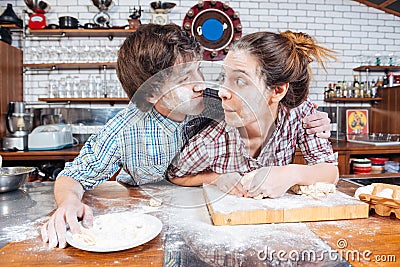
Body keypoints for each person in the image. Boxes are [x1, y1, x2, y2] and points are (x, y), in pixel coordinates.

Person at [41, 25, 332, 249]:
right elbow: (74, 176)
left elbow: (267, 95)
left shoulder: (218, 102)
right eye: (184, 78)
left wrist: (313, 120)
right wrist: (68, 202)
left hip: (229, 221)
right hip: (153, 223)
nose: (200, 84)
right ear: (153, 91)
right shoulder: (126, 129)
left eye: (198, 71)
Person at [167, 30, 339, 198]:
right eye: (223, 78)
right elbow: (176, 175)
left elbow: (331, 172)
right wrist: (217, 178)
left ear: (278, 91)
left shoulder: (300, 115)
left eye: (240, 81)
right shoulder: (213, 140)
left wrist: (291, 173)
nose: (222, 92)